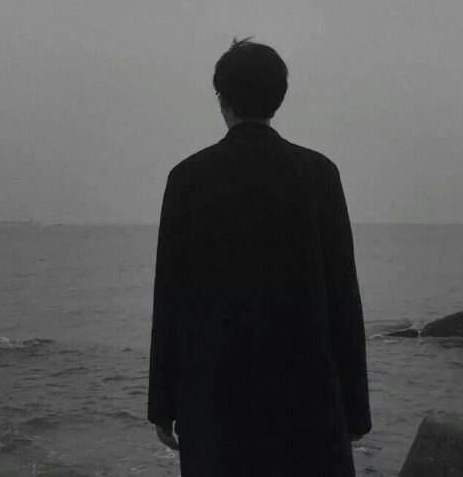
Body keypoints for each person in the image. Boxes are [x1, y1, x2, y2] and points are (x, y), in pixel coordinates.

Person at [147, 37, 371, 477]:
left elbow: (170, 298)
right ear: (278, 97)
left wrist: (162, 403)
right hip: (307, 399)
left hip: (215, 401)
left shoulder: (188, 178)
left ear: (222, 99)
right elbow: (344, 297)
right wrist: (355, 410)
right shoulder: (319, 174)